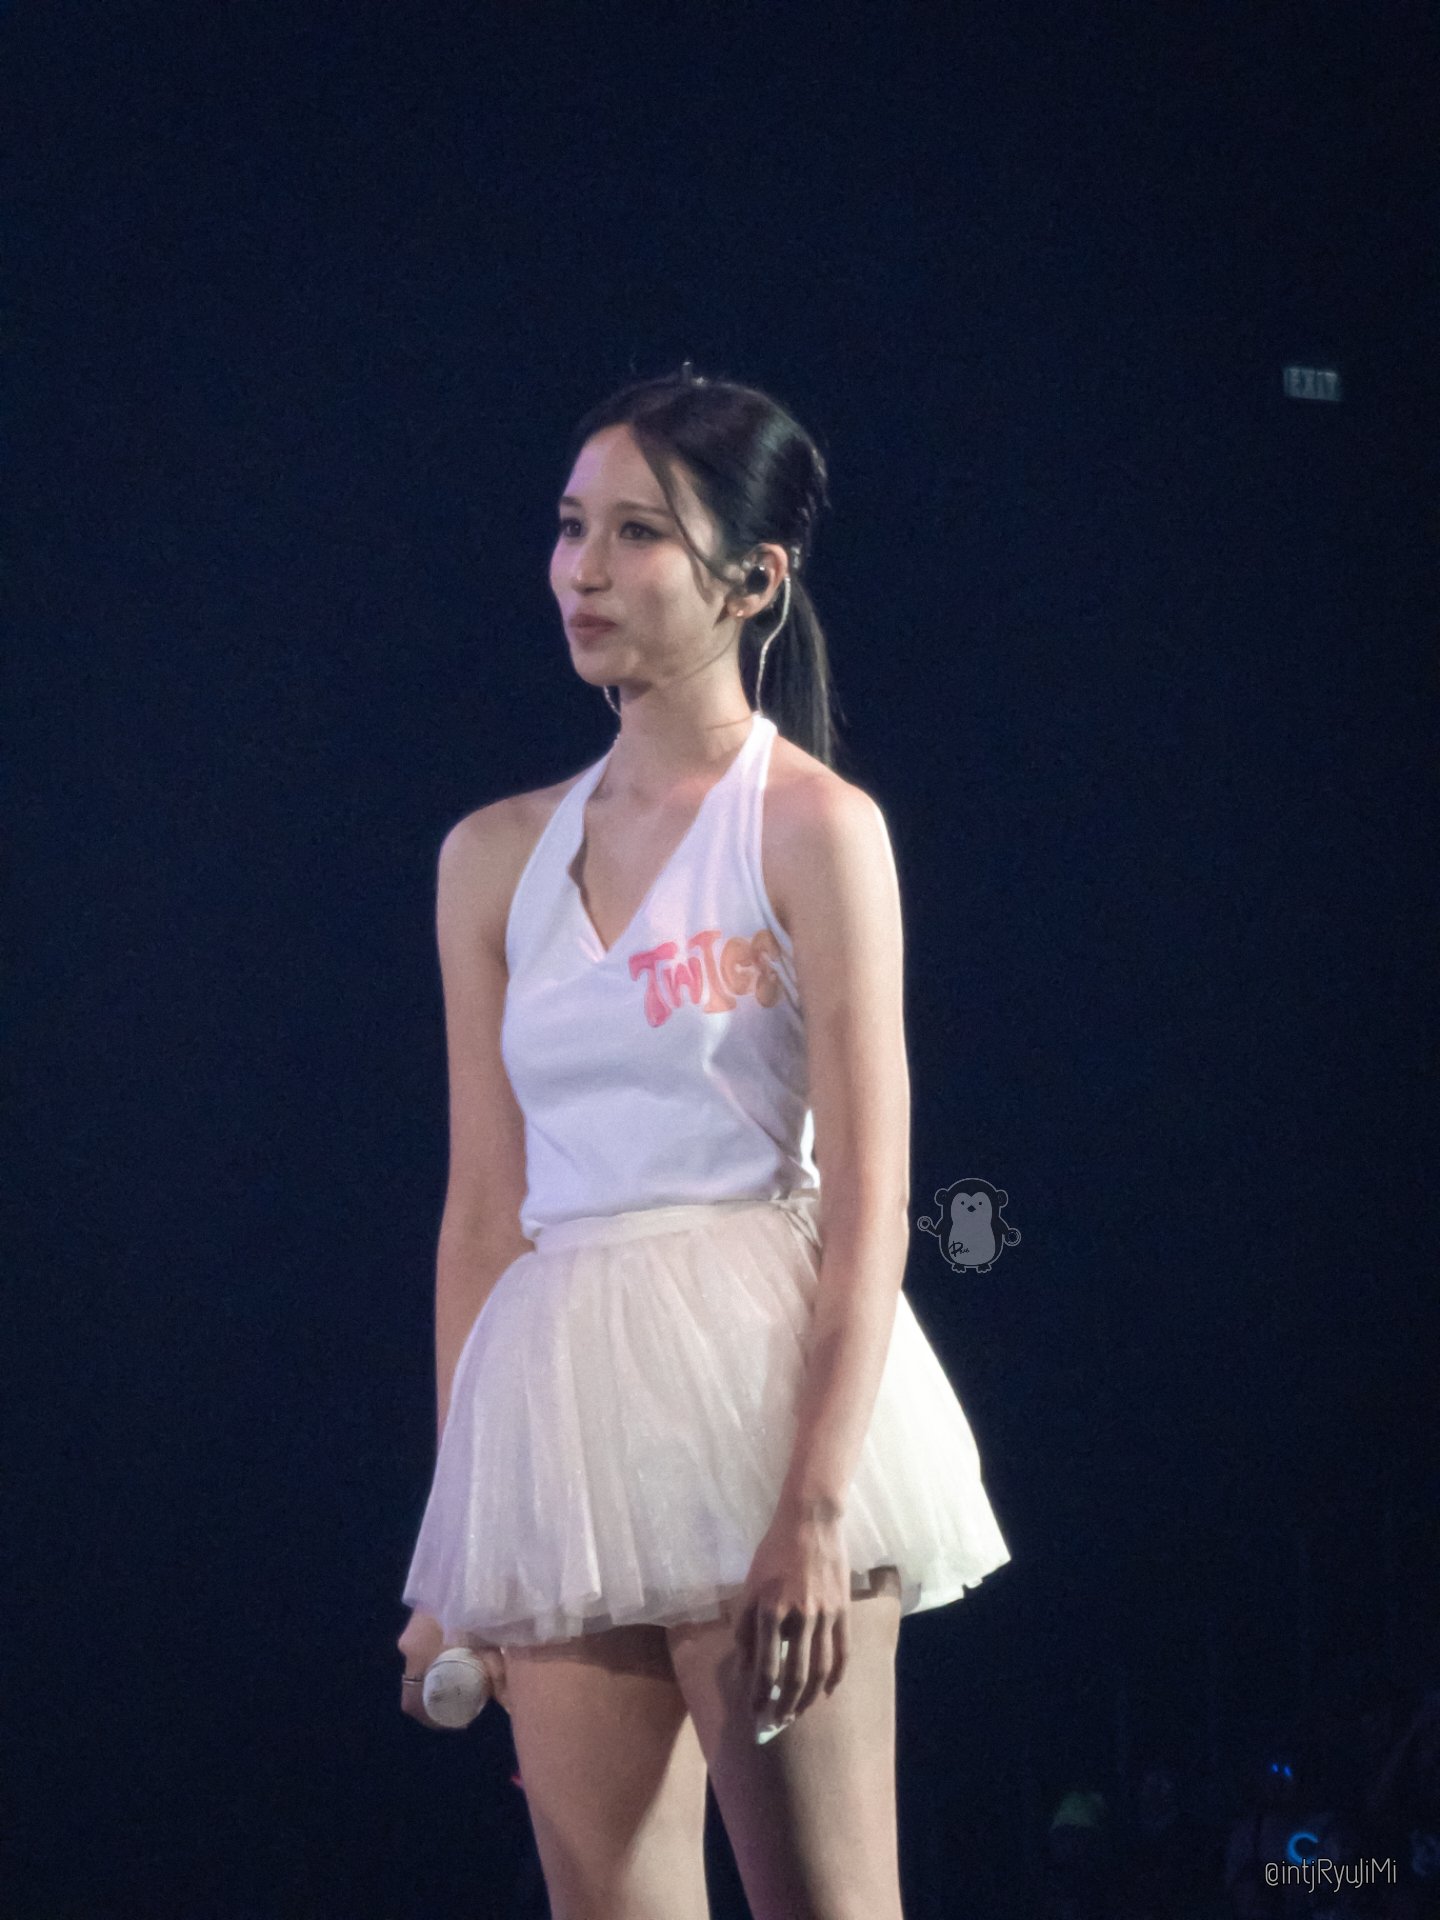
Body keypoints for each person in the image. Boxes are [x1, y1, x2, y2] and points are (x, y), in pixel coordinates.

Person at [394, 362, 1012, 1920]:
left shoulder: (812, 827)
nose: (583, 571)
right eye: (570, 527)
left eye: (637, 533)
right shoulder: (492, 857)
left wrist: (812, 1507)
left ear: (754, 579)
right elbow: (484, 1211)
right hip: (563, 1417)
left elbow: (871, 1195)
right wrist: (459, 1547)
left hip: (761, 1397)